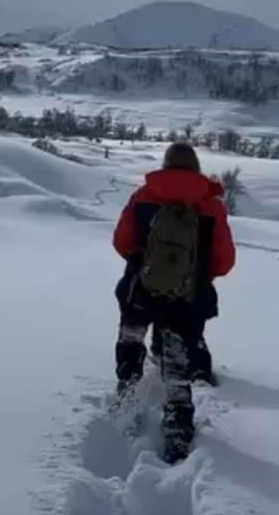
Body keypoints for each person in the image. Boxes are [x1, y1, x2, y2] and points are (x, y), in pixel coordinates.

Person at [112, 142, 236, 463]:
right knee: (178, 366)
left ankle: (128, 395)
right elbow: (224, 260)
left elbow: (122, 240)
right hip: (187, 296)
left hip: (140, 288)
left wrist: (144, 263)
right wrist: (196, 274)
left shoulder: (144, 196)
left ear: (165, 166)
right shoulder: (211, 205)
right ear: (195, 168)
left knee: (131, 339)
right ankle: (178, 431)